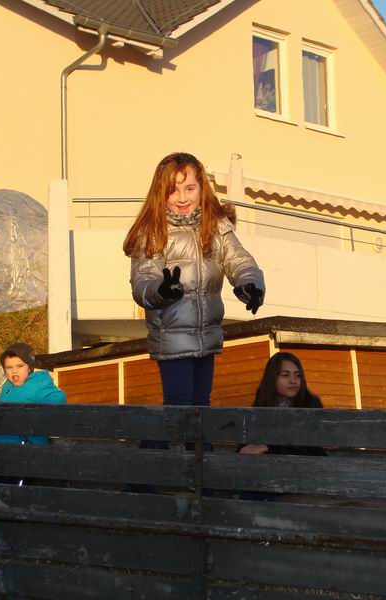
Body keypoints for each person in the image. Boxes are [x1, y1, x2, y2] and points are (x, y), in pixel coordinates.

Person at [123, 152, 265, 406]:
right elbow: (143, 280)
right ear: (160, 193)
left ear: (202, 189)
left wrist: (250, 284)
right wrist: (161, 289)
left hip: (207, 336)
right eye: (173, 191)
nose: (182, 198)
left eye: (190, 189)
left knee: (201, 406)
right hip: (172, 341)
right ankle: (177, 433)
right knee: (180, 406)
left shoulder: (216, 226)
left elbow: (240, 260)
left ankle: (197, 433)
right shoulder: (153, 232)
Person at [240, 352, 325, 456]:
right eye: (285, 375)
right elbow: (248, 441)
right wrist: (245, 450)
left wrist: (267, 449)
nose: (293, 381)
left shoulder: (311, 404)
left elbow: (308, 448)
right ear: (272, 378)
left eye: (298, 375)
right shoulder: (261, 405)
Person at [0, 342, 67, 446]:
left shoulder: (39, 384)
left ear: (30, 367)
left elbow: (59, 398)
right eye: (9, 367)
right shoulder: (8, 385)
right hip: (2, 443)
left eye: (20, 366)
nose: (14, 371)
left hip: (27, 444)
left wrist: (34, 413)